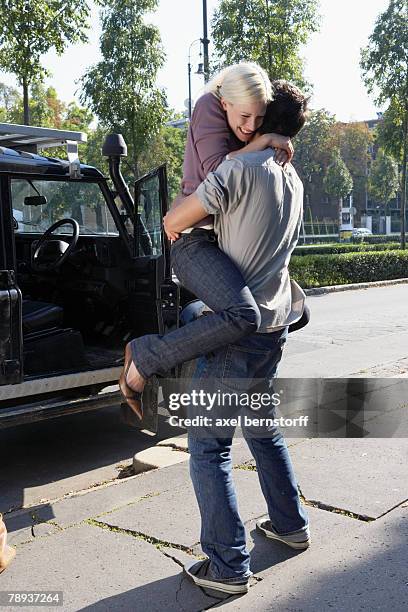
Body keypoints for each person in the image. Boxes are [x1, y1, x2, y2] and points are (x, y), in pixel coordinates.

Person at [164, 80, 310, 596]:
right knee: (263, 431)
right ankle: (291, 527)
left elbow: (175, 222)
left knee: (209, 449)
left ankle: (228, 567)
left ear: (260, 120)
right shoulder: (292, 177)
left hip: (234, 333)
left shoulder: (238, 170)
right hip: (274, 329)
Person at [119, 63, 295, 418]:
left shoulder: (247, 128)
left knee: (272, 311)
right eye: (245, 116)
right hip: (193, 238)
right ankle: (144, 357)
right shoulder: (207, 107)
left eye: (259, 120)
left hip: (218, 240)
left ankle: (192, 335)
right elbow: (218, 169)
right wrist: (263, 141)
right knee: (244, 315)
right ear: (225, 102)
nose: (250, 127)